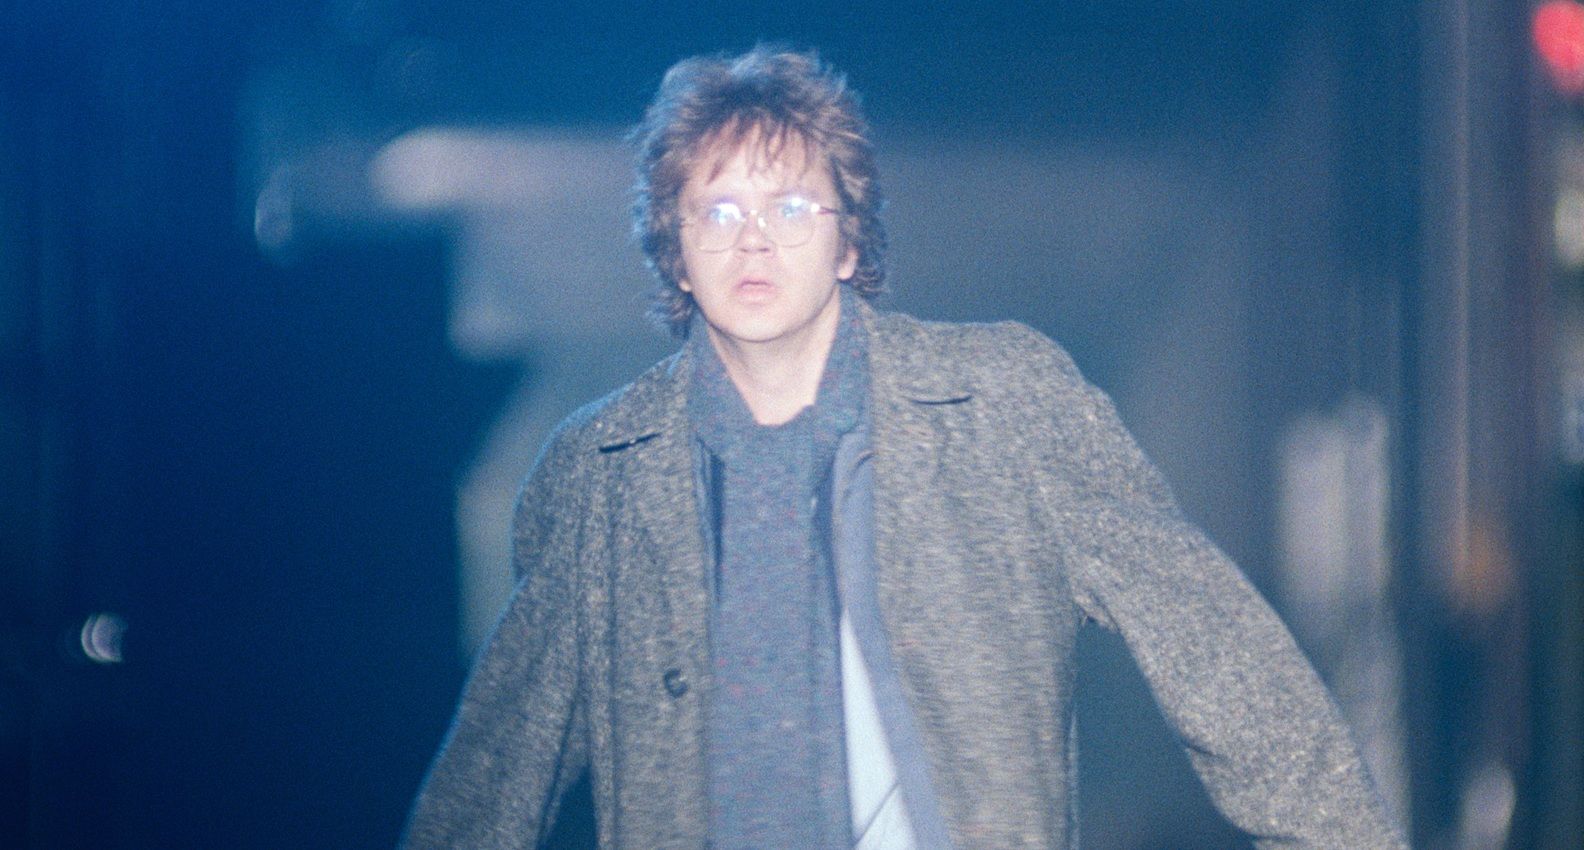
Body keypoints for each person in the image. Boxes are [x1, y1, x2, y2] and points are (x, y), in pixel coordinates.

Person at [401, 47, 1408, 850]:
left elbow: (1212, 641)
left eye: (791, 206)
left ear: (849, 242)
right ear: (677, 251)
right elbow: (498, 762)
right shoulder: (603, 474)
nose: (754, 240)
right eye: (719, 210)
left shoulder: (1003, 406)